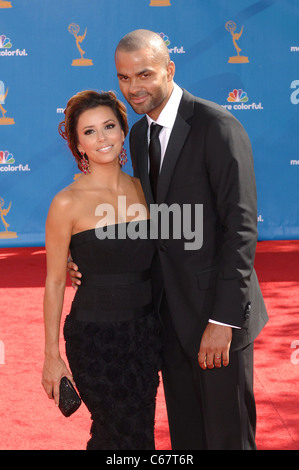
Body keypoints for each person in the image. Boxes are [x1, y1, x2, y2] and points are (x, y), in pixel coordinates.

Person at [69, 30, 269, 450]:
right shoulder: (139, 136)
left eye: (144, 74)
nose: (133, 88)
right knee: (188, 439)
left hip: (217, 319)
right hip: (168, 321)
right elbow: (152, 226)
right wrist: (87, 258)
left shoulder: (217, 126)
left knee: (228, 438)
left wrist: (224, 321)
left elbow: (242, 229)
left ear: (169, 69)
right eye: (124, 78)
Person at [42, 90, 161, 450]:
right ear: (78, 145)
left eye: (109, 126)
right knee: (116, 432)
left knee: (140, 433)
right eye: (89, 132)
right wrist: (51, 355)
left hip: (146, 334)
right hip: (95, 338)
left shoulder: (147, 191)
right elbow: (55, 280)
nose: (102, 137)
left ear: (123, 131)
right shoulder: (66, 202)